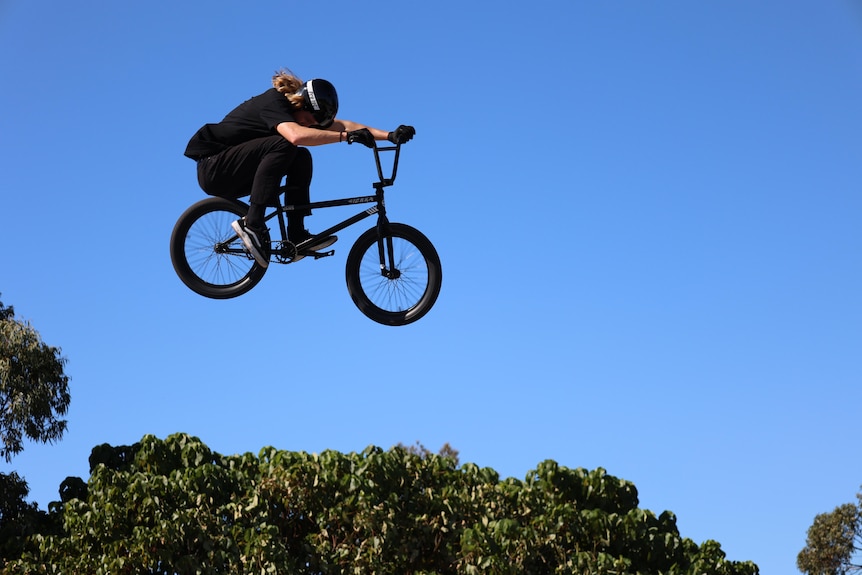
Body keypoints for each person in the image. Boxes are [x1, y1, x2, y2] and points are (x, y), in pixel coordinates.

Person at [184, 69, 415, 267]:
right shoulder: (274, 102)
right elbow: (296, 135)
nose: (309, 125)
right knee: (288, 144)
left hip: (239, 171)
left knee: (301, 156)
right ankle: (252, 224)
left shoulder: (296, 113)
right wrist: (346, 138)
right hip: (215, 167)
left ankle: (297, 235)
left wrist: (390, 135)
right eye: (309, 120)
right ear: (302, 104)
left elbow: (345, 125)